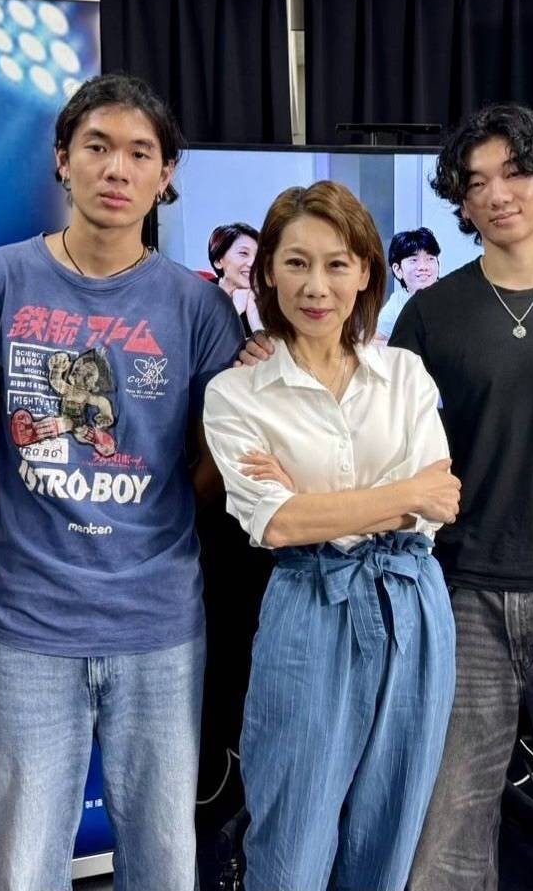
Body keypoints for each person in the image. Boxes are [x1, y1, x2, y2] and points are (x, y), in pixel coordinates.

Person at [232, 103, 533, 888]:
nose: (497, 194)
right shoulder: (430, 312)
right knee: (445, 832)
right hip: (457, 595)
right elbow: (395, 458)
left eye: (515, 173)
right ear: (460, 199)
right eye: (476, 181)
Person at [0, 73, 243, 891]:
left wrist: (149, 518)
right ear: (62, 159)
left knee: (163, 858)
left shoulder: (198, 308)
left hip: (161, 620)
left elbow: (215, 458)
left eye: (140, 153)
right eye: (98, 146)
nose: (117, 169)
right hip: (30, 620)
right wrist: (23, 528)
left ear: (166, 174)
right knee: (18, 859)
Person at [203, 182, 458, 890]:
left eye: (337, 264)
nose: (316, 286)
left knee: (391, 824)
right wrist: (395, 495)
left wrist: (316, 502)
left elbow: (437, 501)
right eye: (296, 263)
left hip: (413, 603)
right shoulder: (236, 393)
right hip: (308, 602)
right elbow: (275, 522)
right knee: (292, 832)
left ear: (367, 272)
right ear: (268, 272)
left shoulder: (402, 373)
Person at [376, 227, 441, 340]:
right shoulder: (397, 302)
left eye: (430, 259)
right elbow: (373, 340)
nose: (423, 267)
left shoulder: (452, 295)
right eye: (414, 260)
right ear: (397, 270)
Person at [209, 222, 263, 334]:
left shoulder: (266, 297)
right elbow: (202, 341)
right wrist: (236, 309)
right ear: (218, 261)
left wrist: (253, 314)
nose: (253, 263)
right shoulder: (200, 296)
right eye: (243, 253)